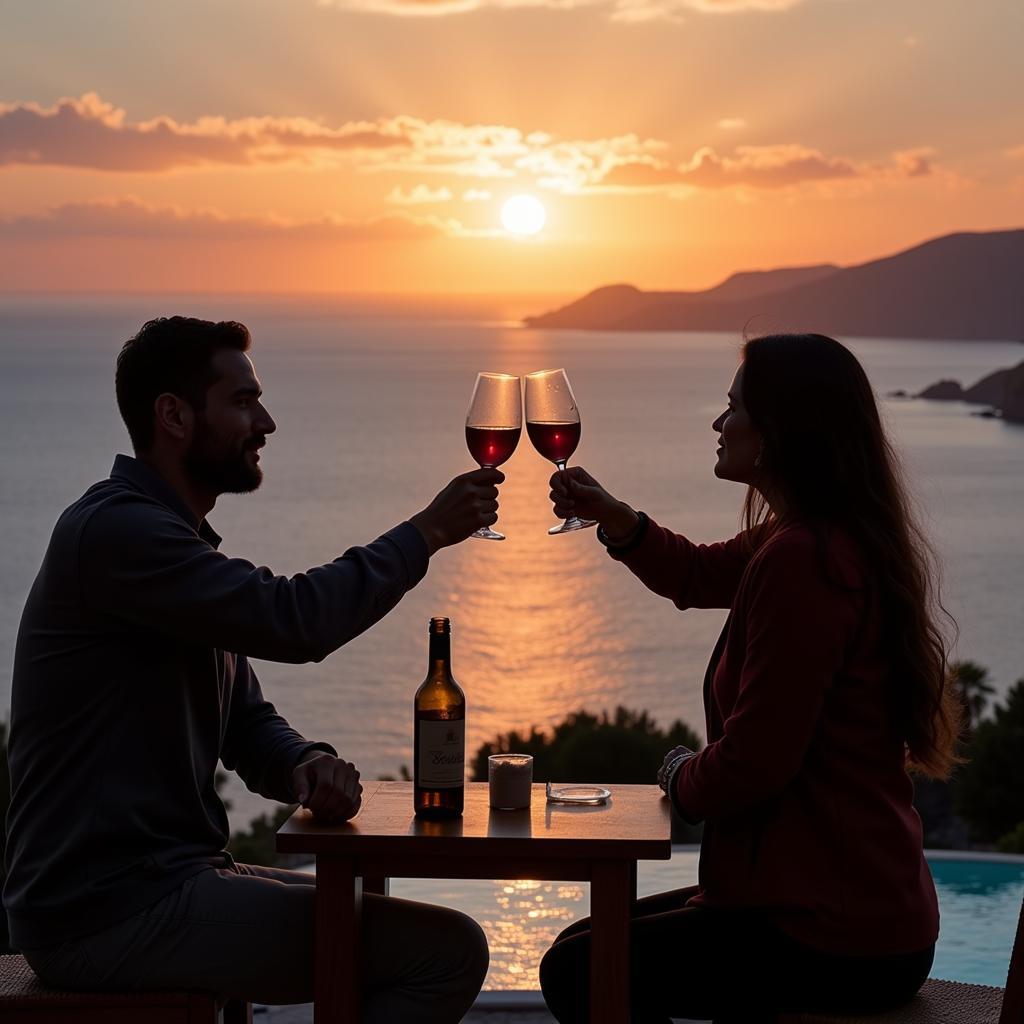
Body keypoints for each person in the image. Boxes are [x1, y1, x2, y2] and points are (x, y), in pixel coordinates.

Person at [4, 316, 498, 1021]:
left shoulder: (169, 544)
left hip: (167, 881)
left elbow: (245, 720)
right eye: (242, 402)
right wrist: (426, 533)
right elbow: (295, 620)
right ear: (173, 415)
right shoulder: (117, 534)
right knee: (444, 951)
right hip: (106, 911)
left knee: (394, 920)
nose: (265, 421)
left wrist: (303, 764)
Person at [539, 333, 961, 1023]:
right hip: (849, 910)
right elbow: (699, 574)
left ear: (776, 431)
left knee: (581, 971)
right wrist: (616, 520)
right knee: (585, 947)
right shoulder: (816, 536)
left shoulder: (806, 560)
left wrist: (678, 775)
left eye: (733, 407)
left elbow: (755, 763)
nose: (718, 423)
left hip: (829, 931)